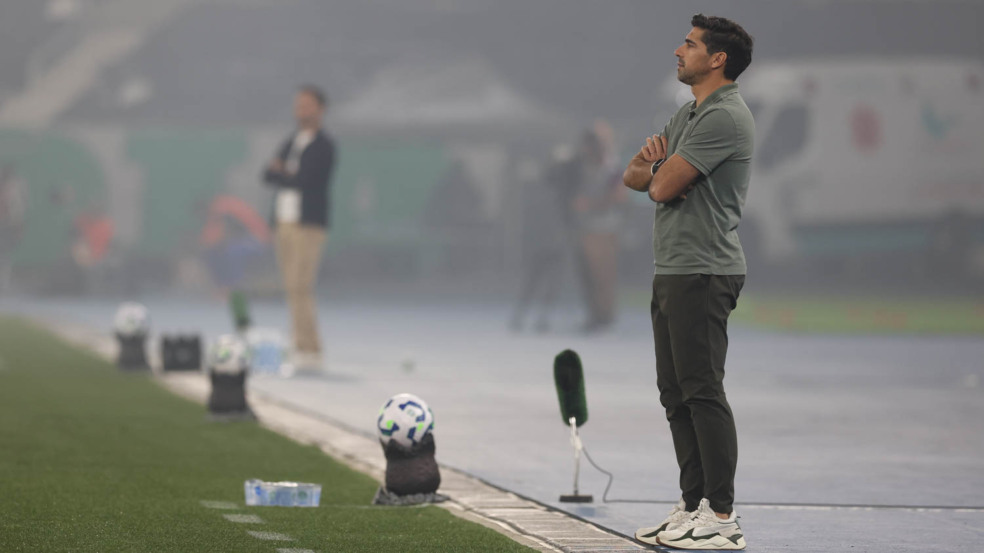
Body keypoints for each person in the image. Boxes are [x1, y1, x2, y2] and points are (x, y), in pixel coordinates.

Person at [622, 14, 754, 550]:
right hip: (674, 267)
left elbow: (658, 186)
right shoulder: (690, 112)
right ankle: (694, 503)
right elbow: (633, 174)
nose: (679, 50)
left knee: (702, 391)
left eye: (691, 44)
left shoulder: (724, 117)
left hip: (704, 268)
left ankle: (722, 518)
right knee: (674, 392)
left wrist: (661, 172)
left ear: (717, 58)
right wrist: (659, 172)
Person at [263, 84, 336, 371]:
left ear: (320, 108)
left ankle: (310, 348)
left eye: (307, 104)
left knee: (301, 286)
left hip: (307, 224)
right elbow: (268, 174)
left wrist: (285, 173)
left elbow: (307, 180)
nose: (301, 110)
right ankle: (299, 343)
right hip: (284, 222)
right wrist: (285, 173)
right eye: (299, 104)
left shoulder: (324, 146)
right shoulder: (292, 141)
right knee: (290, 287)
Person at [571, 121, 626, 333]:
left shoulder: (611, 167)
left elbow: (620, 195)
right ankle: (595, 314)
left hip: (604, 228)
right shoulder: (584, 167)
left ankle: (605, 317)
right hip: (586, 227)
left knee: (603, 275)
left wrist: (591, 204)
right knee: (588, 275)